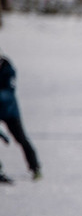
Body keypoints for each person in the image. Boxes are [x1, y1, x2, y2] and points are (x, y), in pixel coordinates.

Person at [0, 51, 42, 183]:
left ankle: (35, 167)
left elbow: (9, 92)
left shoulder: (8, 69)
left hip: (10, 111)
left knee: (21, 139)